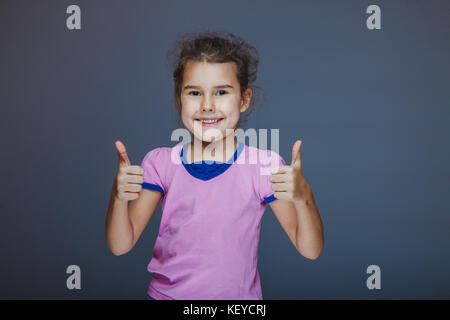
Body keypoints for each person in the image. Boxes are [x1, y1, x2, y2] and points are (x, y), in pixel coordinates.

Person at [105, 31, 324, 300]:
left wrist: (304, 198)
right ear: (179, 98)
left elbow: (310, 250)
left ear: (244, 100)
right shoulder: (160, 163)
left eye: (221, 92)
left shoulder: (263, 166)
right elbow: (120, 245)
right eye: (195, 92)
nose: (207, 106)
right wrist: (118, 198)